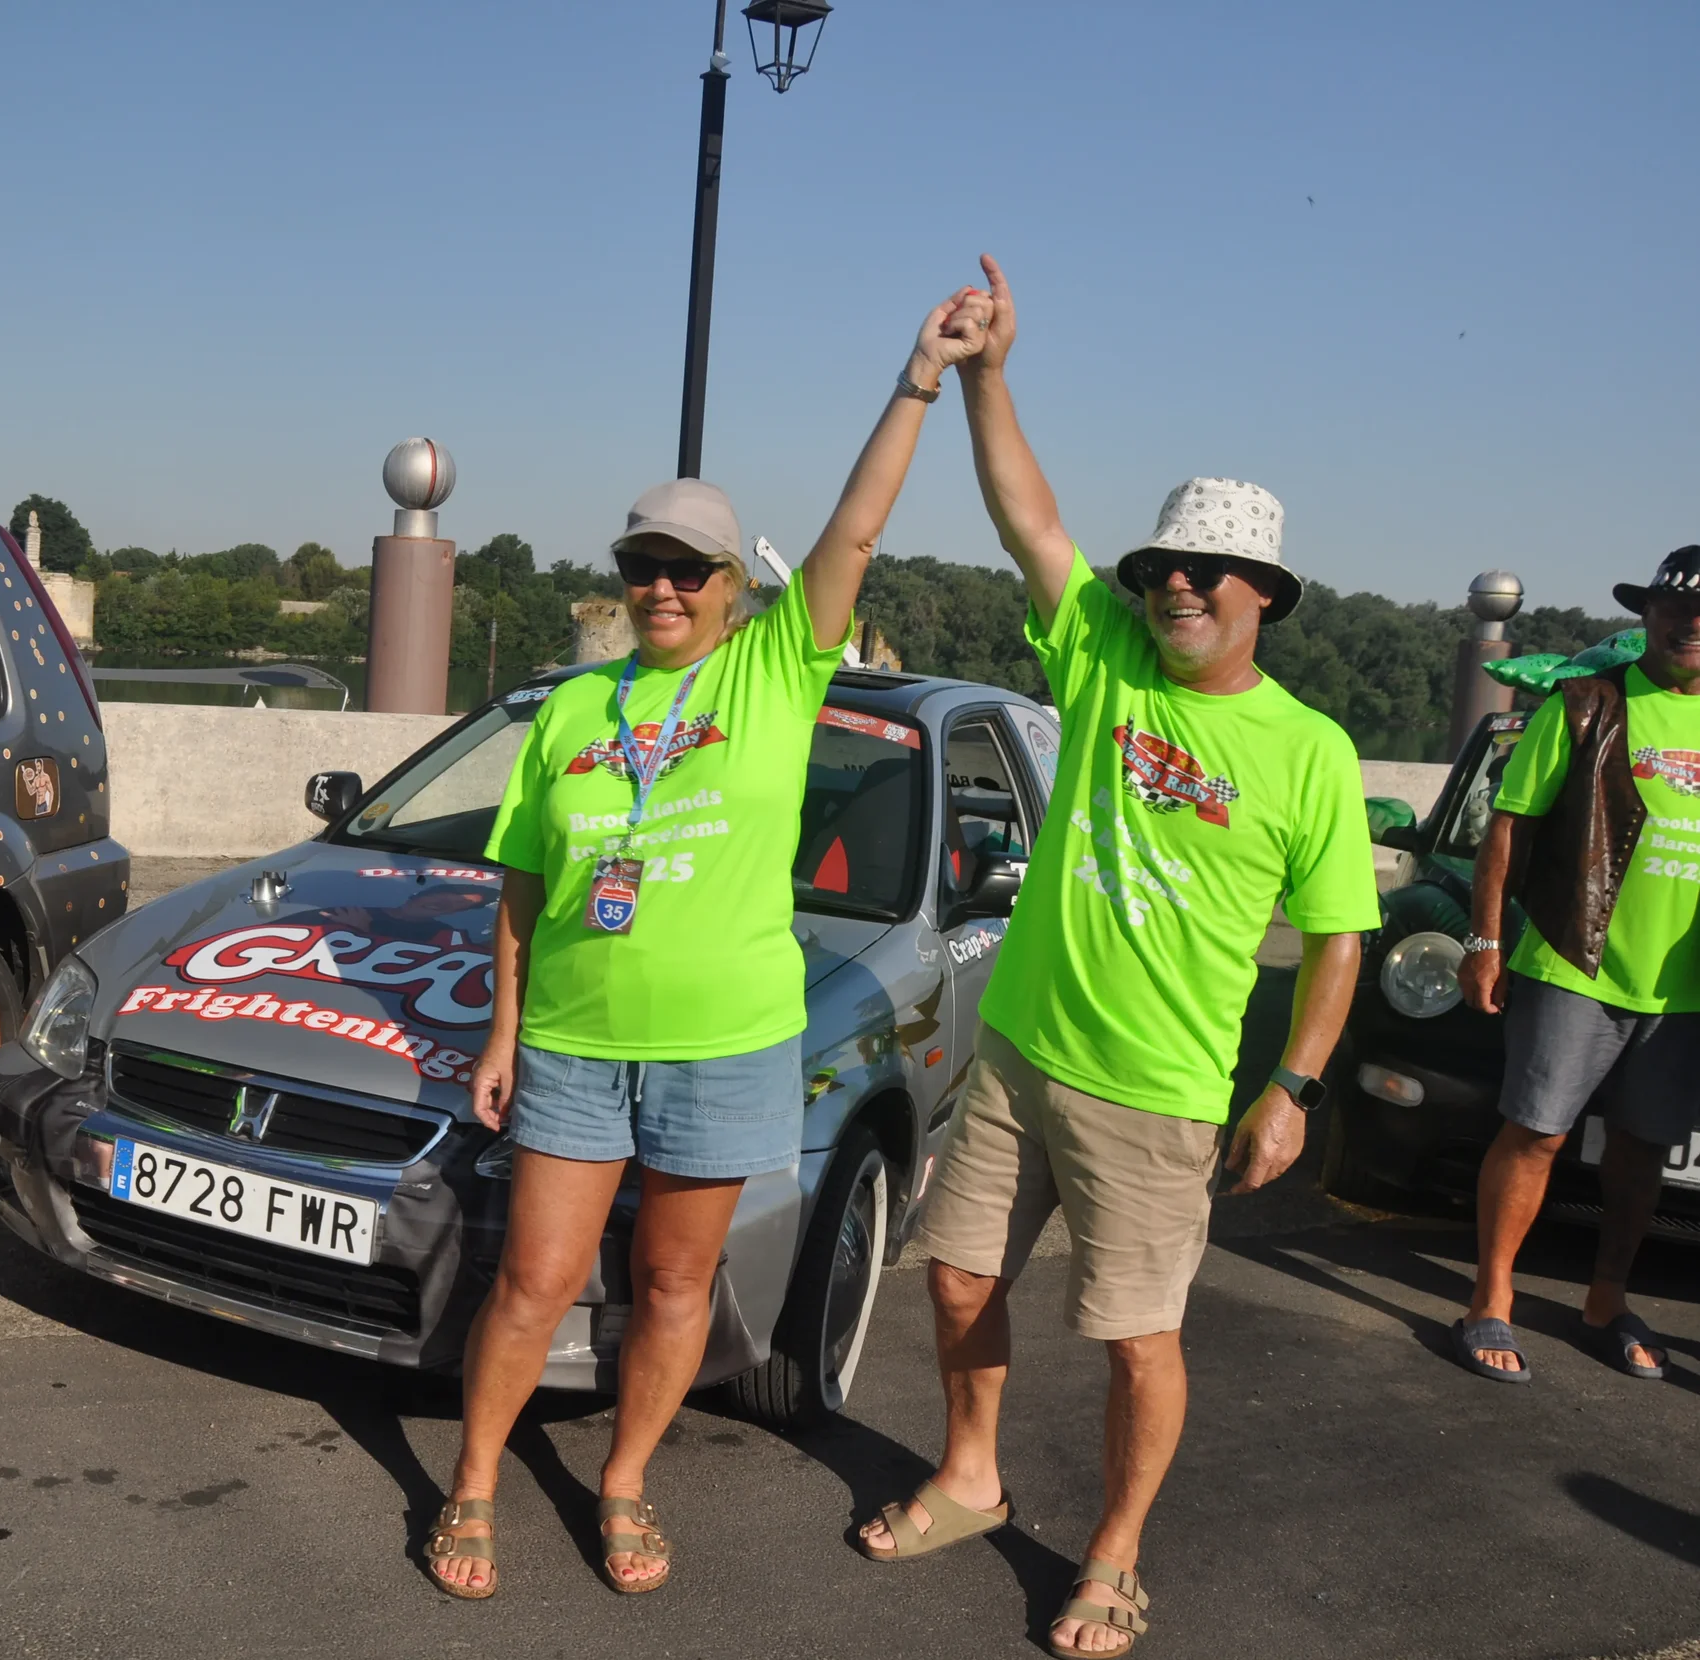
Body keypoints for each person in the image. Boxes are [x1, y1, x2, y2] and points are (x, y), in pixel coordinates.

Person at [424, 285, 993, 1599]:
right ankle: (474, 1481)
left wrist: (918, 377)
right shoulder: (574, 710)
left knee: (677, 1282)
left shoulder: (775, 673)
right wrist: (506, 1030)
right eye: (644, 568)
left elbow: (858, 524)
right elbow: (523, 882)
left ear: (737, 589)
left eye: (690, 569)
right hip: (574, 1038)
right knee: (534, 1283)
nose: (664, 588)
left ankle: (624, 1481)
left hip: (728, 1046)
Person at [853, 258, 1378, 1660]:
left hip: (1158, 1093)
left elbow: (1339, 940)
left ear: (1263, 593)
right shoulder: (1106, 656)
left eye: (1207, 573)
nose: (1176, 588)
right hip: (1021, 1047)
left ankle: (1116, 1555)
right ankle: (972, 1475)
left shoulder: (1309, 752)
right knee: (959, 1279)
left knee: (1135, 1339)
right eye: (1161, 569)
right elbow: (1030, 518)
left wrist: (1296, 1089)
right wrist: (988, 373)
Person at [1452, 546, 1700, 1385]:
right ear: (1647, 616)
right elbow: (1509, 826)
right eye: (1672, 608)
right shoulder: (1587, 706)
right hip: (1574, 961)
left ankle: (1605, 1300)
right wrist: (1485, 942)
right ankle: (1492, 1297)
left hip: (1683, 990)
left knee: (1642, 1149)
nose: (1688, 623)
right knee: (1538, 1132)